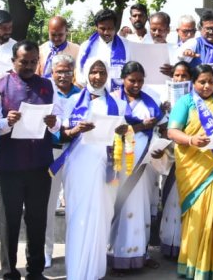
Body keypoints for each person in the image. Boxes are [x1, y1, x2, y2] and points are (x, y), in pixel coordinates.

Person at [0, 41, 59, 280]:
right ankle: (9, 272)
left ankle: (36, 270)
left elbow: (59, 119)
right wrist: (7, 121)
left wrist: (54, 123)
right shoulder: (0, 85)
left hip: (40, 164)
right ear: (13, 61)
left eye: (33, 62)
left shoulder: (47, 85)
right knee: (9, 221)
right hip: (10, 166)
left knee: (37, 219)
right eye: (24, 62)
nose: (29, 66)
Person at [53, 58, 127, 280]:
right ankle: (77, 271)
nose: (97, 76)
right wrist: (76, 129)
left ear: (107, 75)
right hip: (78, 163)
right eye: (93, 72)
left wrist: (123, 131)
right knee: (78, 216)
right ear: (86, 74)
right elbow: (60, 135)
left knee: (102, 215)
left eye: (101, 72)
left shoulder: (118, 103)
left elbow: (124, 134)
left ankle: (95, 271)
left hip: (106, 165)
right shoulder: (73, 101)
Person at [167, 65, 213, 279]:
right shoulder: (186, 102)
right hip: (194, 168)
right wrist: (191, 140)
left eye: (210, 81)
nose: (207, 86)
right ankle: (191, 265)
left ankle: (211, 265)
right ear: (193, 82)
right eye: (202, 82)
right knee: (197, 217)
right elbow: (172, 131)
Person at [109, 61, 166, 273]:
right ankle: (117, 254)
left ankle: (141, 253)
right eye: (132, 80)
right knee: (122, 207)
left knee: (141, 208)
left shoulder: (151, 102)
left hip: (144, 164)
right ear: (123, 79)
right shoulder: (113, 100)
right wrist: (141, 126)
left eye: (140, 80)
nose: (136, 84)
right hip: (120, 162)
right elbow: (111, 128)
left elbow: (163, 127)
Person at [44, 54, 82, 269]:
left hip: (75, 153)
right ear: (52, 72)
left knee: (74, 205)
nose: (63, 75)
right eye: (59, 71)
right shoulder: (46, 92)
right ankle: (46, 252)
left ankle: (73, 251)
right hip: (52, 153)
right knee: (48, 205)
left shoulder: (82, 94)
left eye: (67, 71)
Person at [158, 61, 193, 258]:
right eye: (176, 76)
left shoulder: (195, 99)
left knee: (183, 199)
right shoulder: (164, 96)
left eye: (184, 76)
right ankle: (168, 243)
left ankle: (184, 246)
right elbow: (158, 125)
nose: (179, 79)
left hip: (188, 154)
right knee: (169, 198)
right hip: (169, 154)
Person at [77, 8, 129, 87]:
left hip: (118, 95)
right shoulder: (86, 47)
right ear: (96, 27)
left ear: (115, 27)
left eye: (110, 28)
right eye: (102, 29)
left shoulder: (126, 45)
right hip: (93, 94)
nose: (106, 32)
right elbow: (80, 73)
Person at [177, 9, 213, 77]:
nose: (211, 32)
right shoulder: (192, 44)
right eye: (207, 29)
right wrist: (184, 55)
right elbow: (177, 65)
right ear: (201, 28)